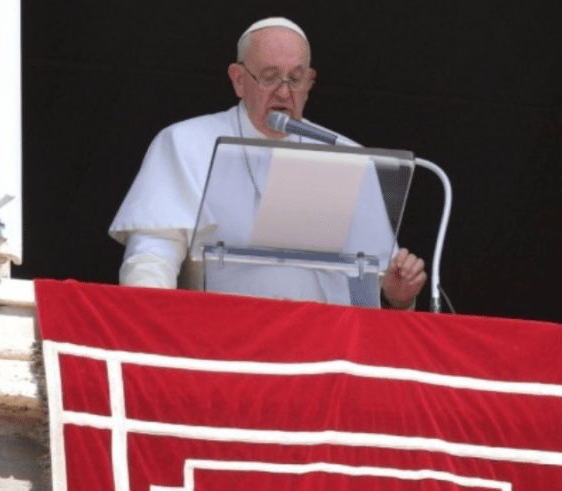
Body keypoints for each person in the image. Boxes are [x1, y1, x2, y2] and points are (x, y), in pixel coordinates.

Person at [109, 17, 426, 308]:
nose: (285, 92)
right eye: (270, 77)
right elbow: (153, 257)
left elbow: (371, 279)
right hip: (224, 340)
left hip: (326, 347)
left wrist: (399, 297)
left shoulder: (345, 153)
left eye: (296, 79)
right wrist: (149, 325)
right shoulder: (185, 142)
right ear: (238, 79)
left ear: (310, 82)